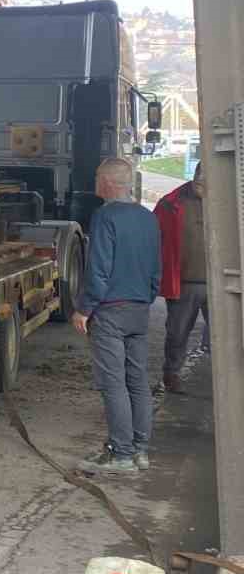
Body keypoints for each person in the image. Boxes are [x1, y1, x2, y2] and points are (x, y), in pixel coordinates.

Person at [71, 157, 162, 475]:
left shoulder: (105, 216)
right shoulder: (147, 217)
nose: (95, 182)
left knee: (113, 383)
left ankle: (121, 454)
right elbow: (155, 268)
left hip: (111, 310)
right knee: (137, 380)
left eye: (97, 176)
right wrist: (146, 297)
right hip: (139, 308)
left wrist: (85, 308)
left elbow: (99, 267)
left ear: (108, 182)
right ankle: (139, 450)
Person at [154, 163, 209, 395]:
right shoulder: (170, 203)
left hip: (221, 284)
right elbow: (153, 239)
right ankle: (172, 373)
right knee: (177, 332)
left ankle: (230, 381)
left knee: (231, 334)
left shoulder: (228, 202)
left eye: (205, 180)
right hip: (183, 282)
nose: (200, 182)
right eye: (198, 176)